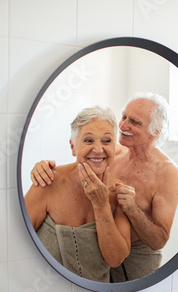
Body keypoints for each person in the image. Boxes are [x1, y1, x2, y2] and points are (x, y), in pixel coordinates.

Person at [30, 93, 178, 281]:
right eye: (124, 116)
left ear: (155, 131)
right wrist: (42, 168)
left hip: (135, 258)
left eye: (134, 121)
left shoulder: (167, 172)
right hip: (96, 253)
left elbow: (159, 240)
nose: (123, 126)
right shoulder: (111, 152)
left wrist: (131, 208)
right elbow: (80, 161)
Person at [24, 106, 131, 282]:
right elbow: (18, 241)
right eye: (88, 140)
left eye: (106, 141)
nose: (98, 149)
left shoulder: (120, 192)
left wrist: (101, 204)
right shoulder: (48, 181)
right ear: (73, 147)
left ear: (114, 147)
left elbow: (115, 259)